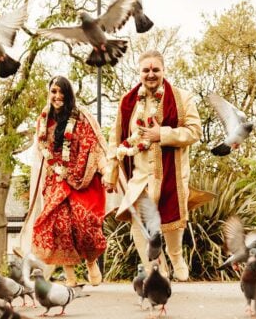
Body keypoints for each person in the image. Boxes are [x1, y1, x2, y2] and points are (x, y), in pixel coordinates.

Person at [103, 50, 207, 281]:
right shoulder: (127, 101)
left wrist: (162, 133)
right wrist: (110, 171)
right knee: (138, 226)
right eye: (146, 70)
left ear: (163, 70)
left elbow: (195, 131)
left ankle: (176, 255)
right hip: (139, 177)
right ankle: (155, 272)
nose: (151, 74)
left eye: (155, 69)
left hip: (171, 174)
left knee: (172, 223)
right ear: (139, 72)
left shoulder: (182, 98)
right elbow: (115, 138)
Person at [21, 76, 108, 286]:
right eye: (54, 91)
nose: (57, 96)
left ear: (69, 95)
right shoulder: (43, 120)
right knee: (58, 224)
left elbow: (94, 146)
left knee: (83, 223)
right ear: (49, 93)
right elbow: (43, 151)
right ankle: (70, 275)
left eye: (62, 92)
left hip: (82, 178)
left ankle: (91, 262)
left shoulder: (82, 117)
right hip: (56, 179)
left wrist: (105, 170)